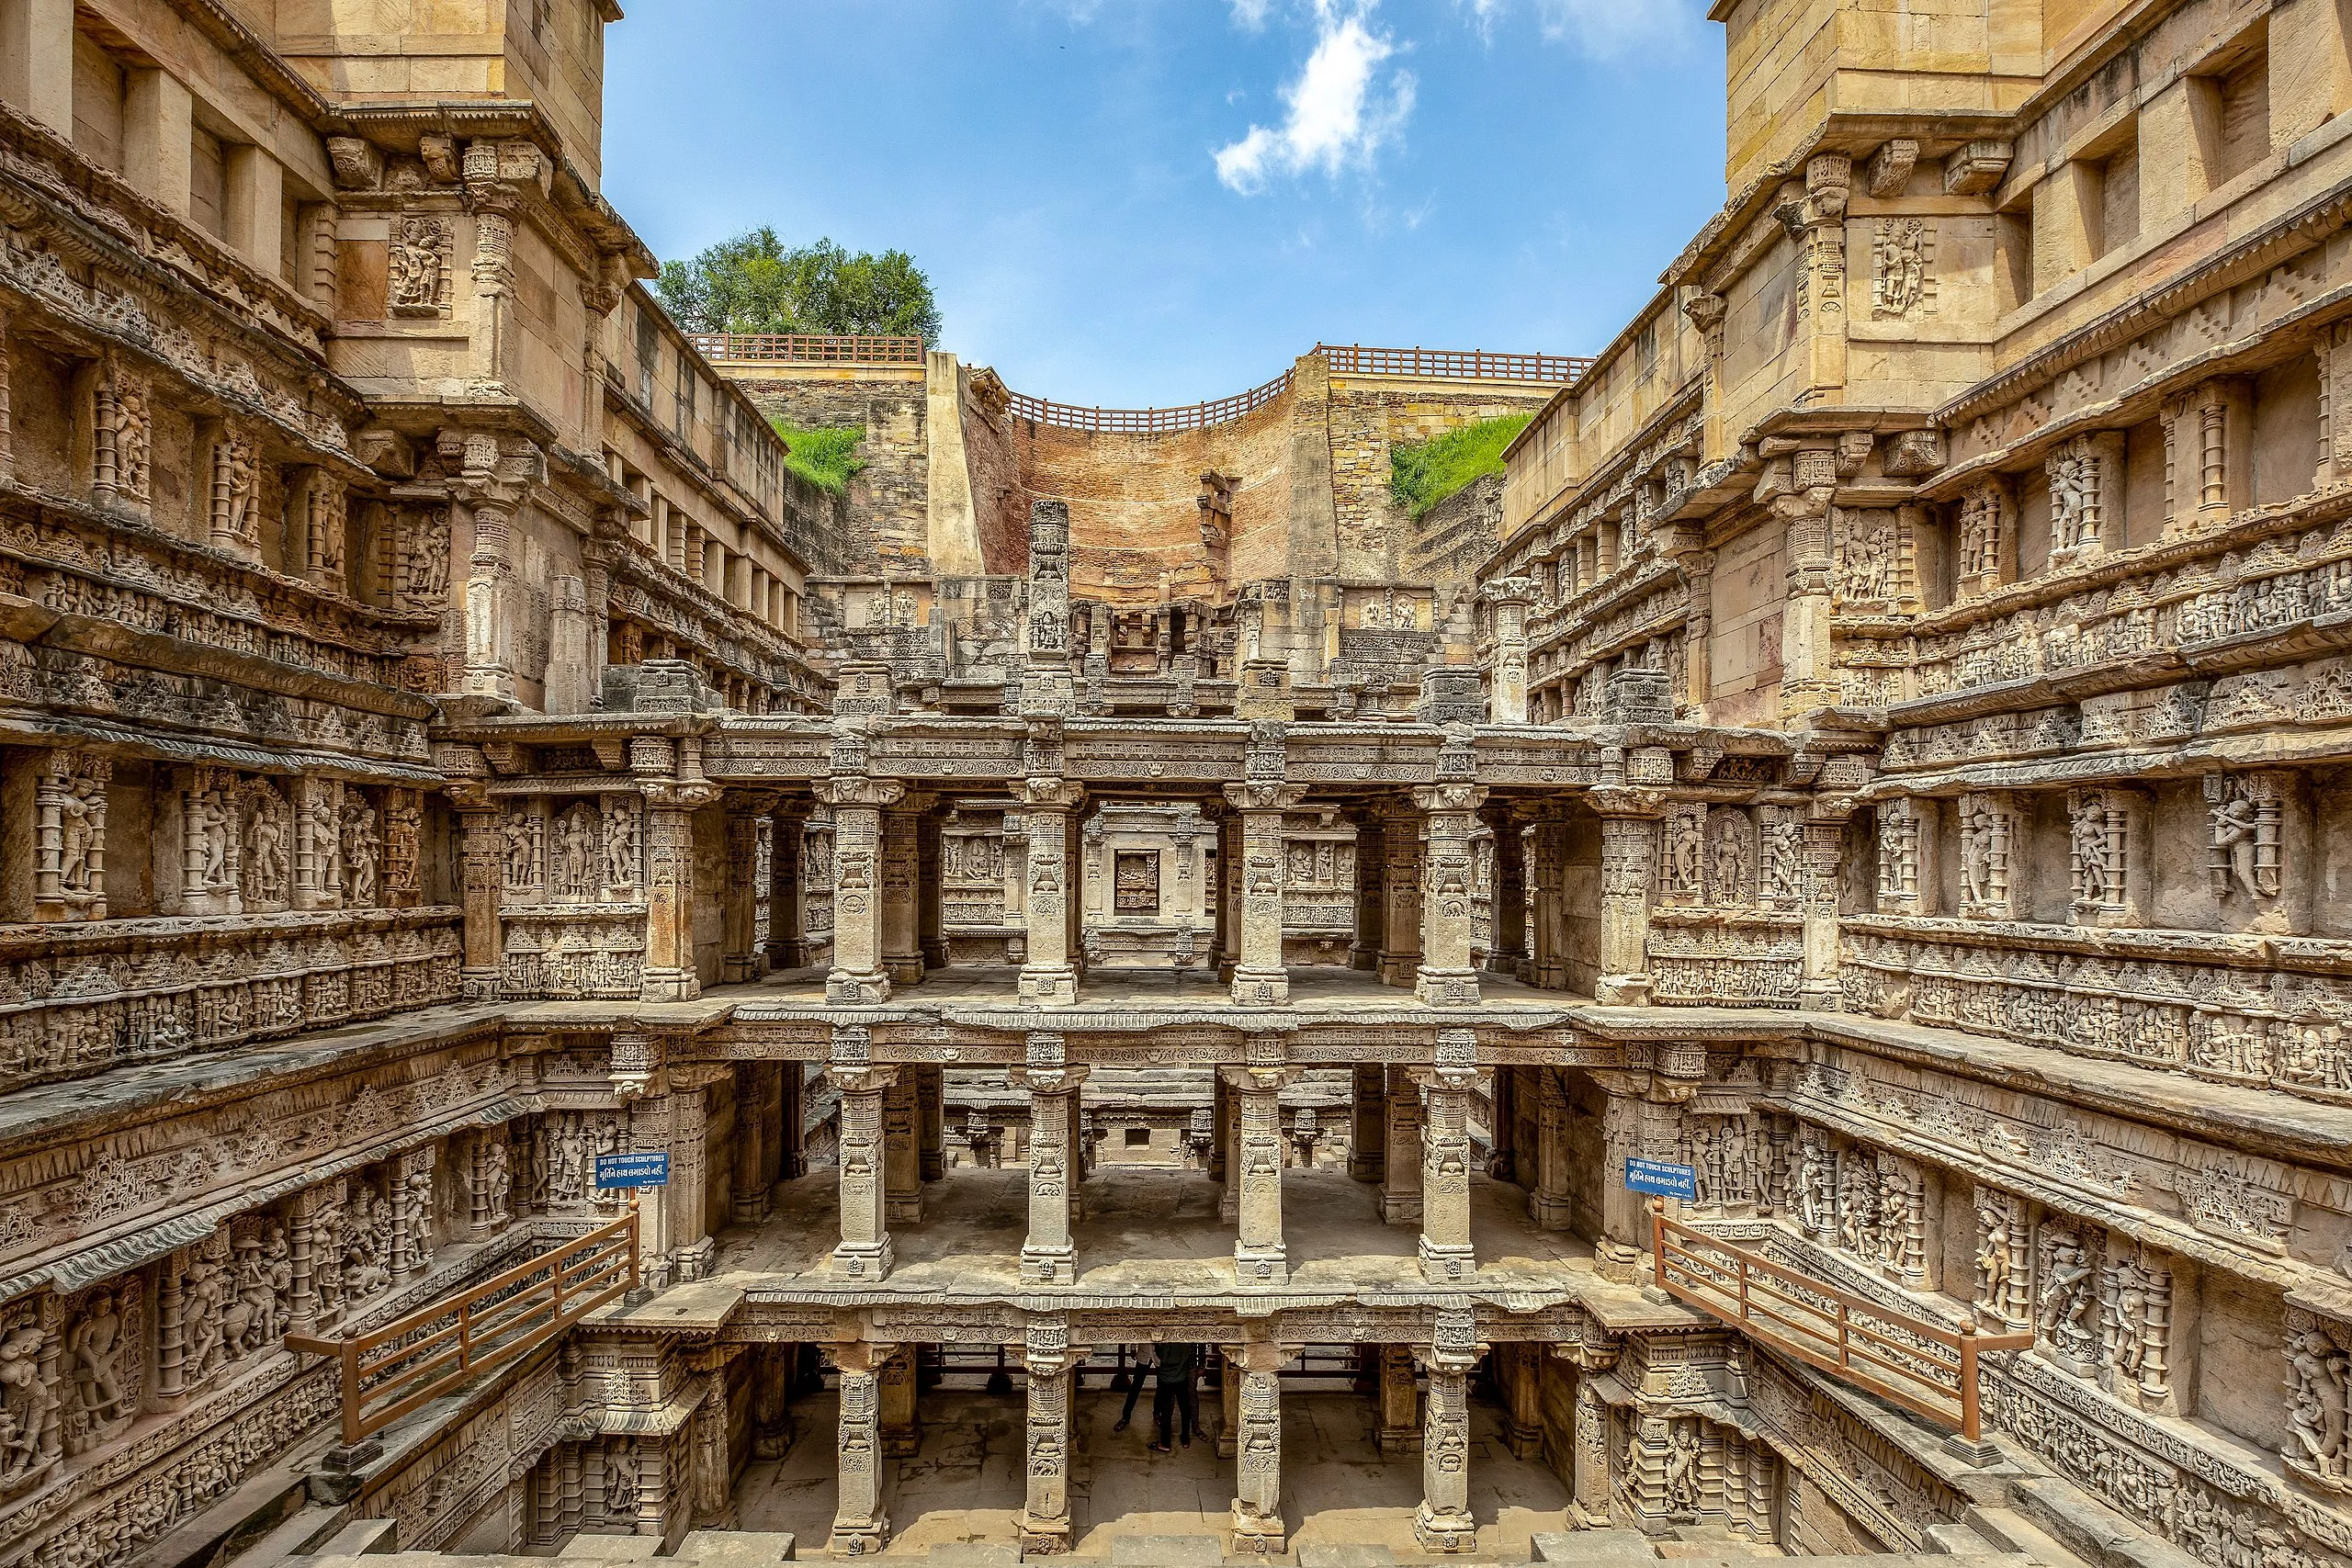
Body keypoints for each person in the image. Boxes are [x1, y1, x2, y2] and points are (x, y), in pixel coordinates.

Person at [1149, 1342, 1198, 1454]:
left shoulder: (1168, 1338)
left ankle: (1165, 1443)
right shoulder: (1184, 1338)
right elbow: (1187, 1354)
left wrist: (1157, 1346)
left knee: (1166, 1411)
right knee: (1185, 1408)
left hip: (1166, 1379)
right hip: (1181, 1376)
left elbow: (1164, 1357)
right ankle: (1185, 1439)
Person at [1114, 1344, 1155, 1432]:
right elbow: (1136, 1331)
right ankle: (1125, 1417)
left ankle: (1157, 1414)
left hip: (1159, 1355)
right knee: (1135, 1387)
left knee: (1162, 1386)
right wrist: (1133, 1348)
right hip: (1143, 1354)